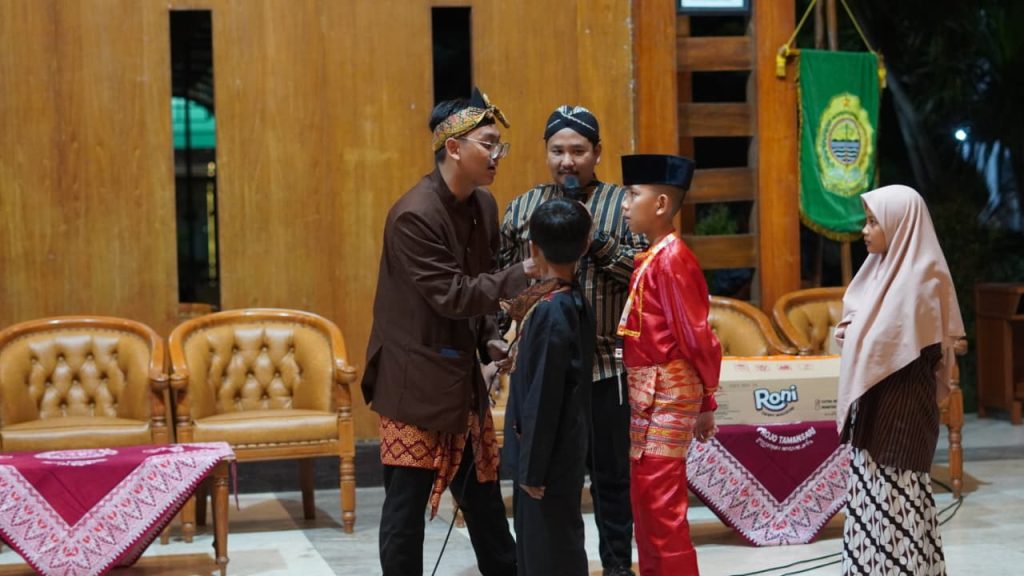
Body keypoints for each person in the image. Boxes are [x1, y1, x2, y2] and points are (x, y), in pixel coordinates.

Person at [361, 87, 538, 576]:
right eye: (488, 144)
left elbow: (478, 288)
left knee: (483, 502)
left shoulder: (482, 205)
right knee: (405, 511)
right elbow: (454, 294)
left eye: (500, 144)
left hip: (461, 379)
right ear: (454, 147)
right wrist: (528, 270)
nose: (498, 155)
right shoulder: (413, 215)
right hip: (413, 380)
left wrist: (491, 338)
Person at [499, 105, 643, 576]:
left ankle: (617, 567)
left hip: (606, 368)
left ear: (597, 152)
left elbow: (641, 276)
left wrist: (593, 240)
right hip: (543, 366)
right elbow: (500, 280)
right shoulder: (522, 208)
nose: (567, 161)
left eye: (578, 150)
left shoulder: (623, 205)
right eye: (557, 150)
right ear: (546, 152)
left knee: (611, 482)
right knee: (549, 482)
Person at [835, 184, 965, 576]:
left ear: (901, 225)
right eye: (867, 221)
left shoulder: (922, 279)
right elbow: (856, 332)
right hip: (874, 409)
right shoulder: (878, 273)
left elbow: (893, 344)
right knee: (871, 498)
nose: (865, 230)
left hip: (902, 414)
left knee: (898, 500)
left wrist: (857, 335)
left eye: (874, 221)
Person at [617, 154, 722, 576]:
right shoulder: (653, 256)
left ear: (660, 204)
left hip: (669, 393)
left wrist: (707, 400)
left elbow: (697, 337)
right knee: (645, 500)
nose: (624, 203)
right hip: (647, 396)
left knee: (662, 504)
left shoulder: (674, 258)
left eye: (633, 194)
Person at [504, 197, 595, 576]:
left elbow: (544, 398)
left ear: (533, 248)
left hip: (545, 460)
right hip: (561, 451)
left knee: (547, 555)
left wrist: (532, 470)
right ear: (586, 246)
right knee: (550, 545)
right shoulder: (572, 301)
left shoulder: (552, 310)